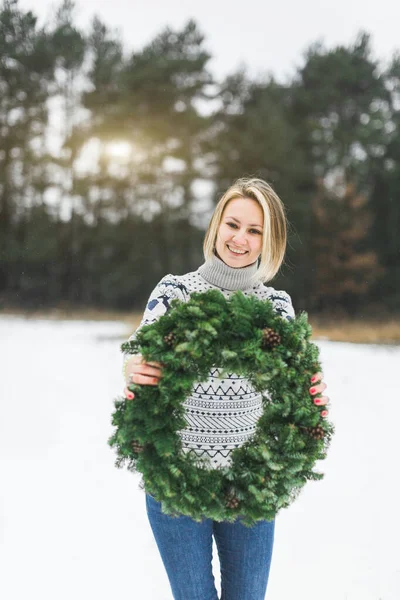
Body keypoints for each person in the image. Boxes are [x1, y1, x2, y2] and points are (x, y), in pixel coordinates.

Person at [122, 177, 330, 600]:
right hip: (176, 479)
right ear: (216, 226)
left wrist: (313, 396)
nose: (240, 239)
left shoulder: (276, 307)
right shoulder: (174, 291)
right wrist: (131, 365)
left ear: (269, 240)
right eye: (233, 224)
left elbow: (294, 384)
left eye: (255, 231)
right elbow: (140, 347)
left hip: (250, 484)